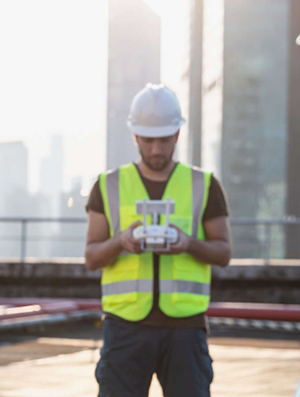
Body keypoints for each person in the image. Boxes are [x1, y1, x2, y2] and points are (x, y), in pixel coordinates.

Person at [84, 83, 232, 397]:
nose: (156, 150)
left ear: (177, 135)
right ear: (135, 136)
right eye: (148, 140)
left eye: (164, 140)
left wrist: (188, 243)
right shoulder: (108, 185)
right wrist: (120, 241)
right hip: (124, 327)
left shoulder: (204, 185)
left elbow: (223, 253)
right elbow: (92, 257)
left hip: (185, 329)